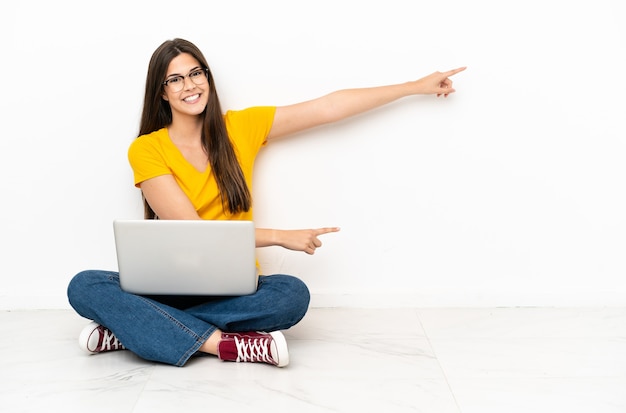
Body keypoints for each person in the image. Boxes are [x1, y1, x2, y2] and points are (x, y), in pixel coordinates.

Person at [67, 38, 465, 368]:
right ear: (162, 91)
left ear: (207, 76)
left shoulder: (239, 127)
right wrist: (279, 236)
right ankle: (225, 345)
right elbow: (195, 236)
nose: (189, 85)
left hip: (234, 288)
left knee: (291, 294)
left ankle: (132, 332)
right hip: (166, 288)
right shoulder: (147, 149)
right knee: (84, 285)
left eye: (195, 73)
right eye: (175, 79)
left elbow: (327, 107)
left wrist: (414, 85)